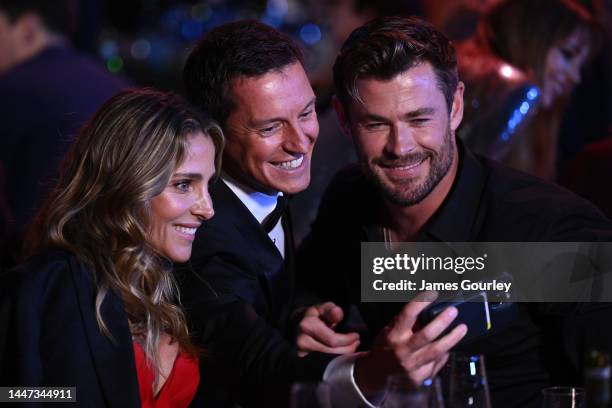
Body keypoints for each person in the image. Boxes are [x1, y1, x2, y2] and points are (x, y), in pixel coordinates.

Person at [297, 15, 612, 408]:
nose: (401, 146)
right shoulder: (350, 199)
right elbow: (306, 295)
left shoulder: (550, 230)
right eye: (376, 124)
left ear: (456, 106)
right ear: (344, 121)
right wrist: (306, 319)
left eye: (419, 119)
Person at [178, 19, 465, 407]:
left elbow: (305, 276)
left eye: (306, 112)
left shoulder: (279, 190)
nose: (299, 141)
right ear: (215, 133)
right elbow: (256, 362)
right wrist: (371, 372)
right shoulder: (198, 234)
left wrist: (300, 314)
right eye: (270, 127)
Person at [0, 89, 224, 407]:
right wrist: (69, 399)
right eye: (184, 185)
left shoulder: (176, 288)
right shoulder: (48, 285)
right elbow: (12, 395)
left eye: (207, 185)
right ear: (128, 183)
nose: (207, 208)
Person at [0, 0, 129, 263]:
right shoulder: (120, 86)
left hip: (31, 266)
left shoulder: (11, 90)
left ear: (27, 28)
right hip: (118, 264)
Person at [456, 0, 599, 180]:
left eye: (581, 65)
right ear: (529, 40)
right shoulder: (516, 94)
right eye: (567, 54)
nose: (575, 76)